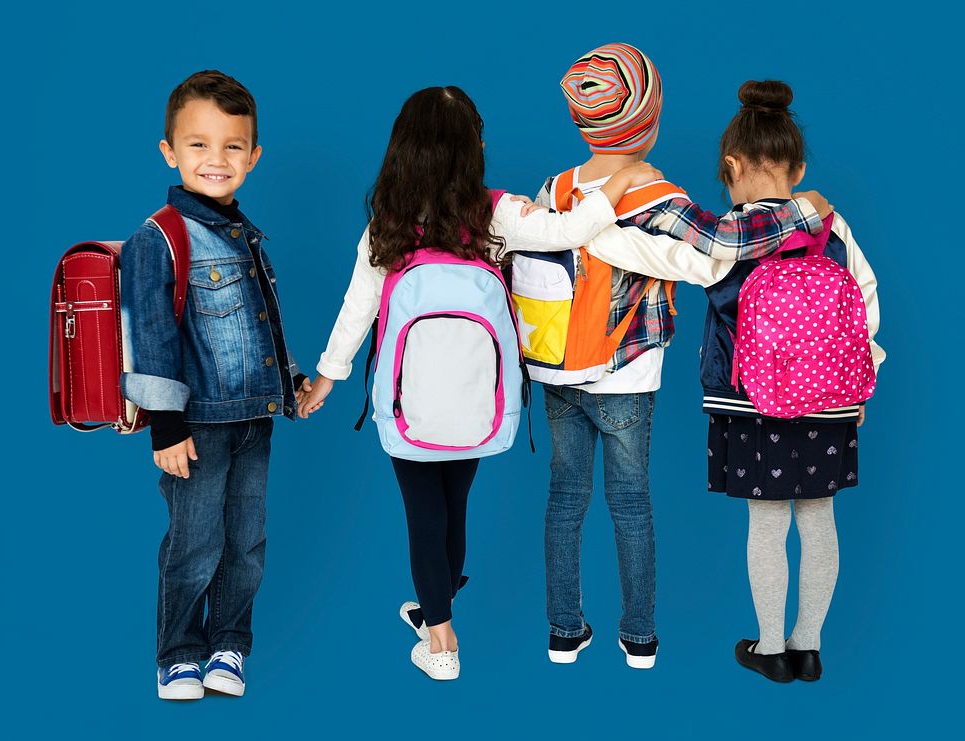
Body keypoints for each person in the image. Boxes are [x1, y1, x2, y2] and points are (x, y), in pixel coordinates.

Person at [295, 85, 663, 681]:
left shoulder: (385, 227)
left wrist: (327, 379)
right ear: (470, 150)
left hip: (405, 400)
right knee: (453, 506)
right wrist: (619, 180)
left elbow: (357, 308)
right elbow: (571, 231)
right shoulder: (495, 212)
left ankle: (439, 638)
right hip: (478, 403)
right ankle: (435, 613)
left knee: (422, 510)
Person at [531, 43, 832, 670]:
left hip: (557, 370)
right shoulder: (657, 193)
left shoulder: (554, 189)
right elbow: (720, 250)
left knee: (564, 501)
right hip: (624, 370)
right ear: (650, 118)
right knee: (631, 503)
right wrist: (801, 211)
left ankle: (564, 633)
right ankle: (638, 639)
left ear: (583, 119)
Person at [583, 79, 883, 682]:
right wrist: (862, 377)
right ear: (798, 168)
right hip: (830, 397)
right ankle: (808, 645)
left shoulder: (729, 238)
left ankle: (770, 648)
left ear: (730, 167)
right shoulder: (827, 224)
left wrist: (590, 227)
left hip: (751, 401)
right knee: (819, 518)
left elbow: (655, 258)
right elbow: (866, 300)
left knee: (767, 524)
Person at [120, 70, 310, 700]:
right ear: (169, 153)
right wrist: (165, 428)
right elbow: (153, 335)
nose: (216, 159)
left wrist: (288, 382)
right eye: (197, 145)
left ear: (253, 157)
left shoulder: (244, 234)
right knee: (193, 544)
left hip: (252, 418)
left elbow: (257, 326)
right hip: (195, 426)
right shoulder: (161, 238)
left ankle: (229, 645)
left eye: (232, 146)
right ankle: (178, 652)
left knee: (245, 543)